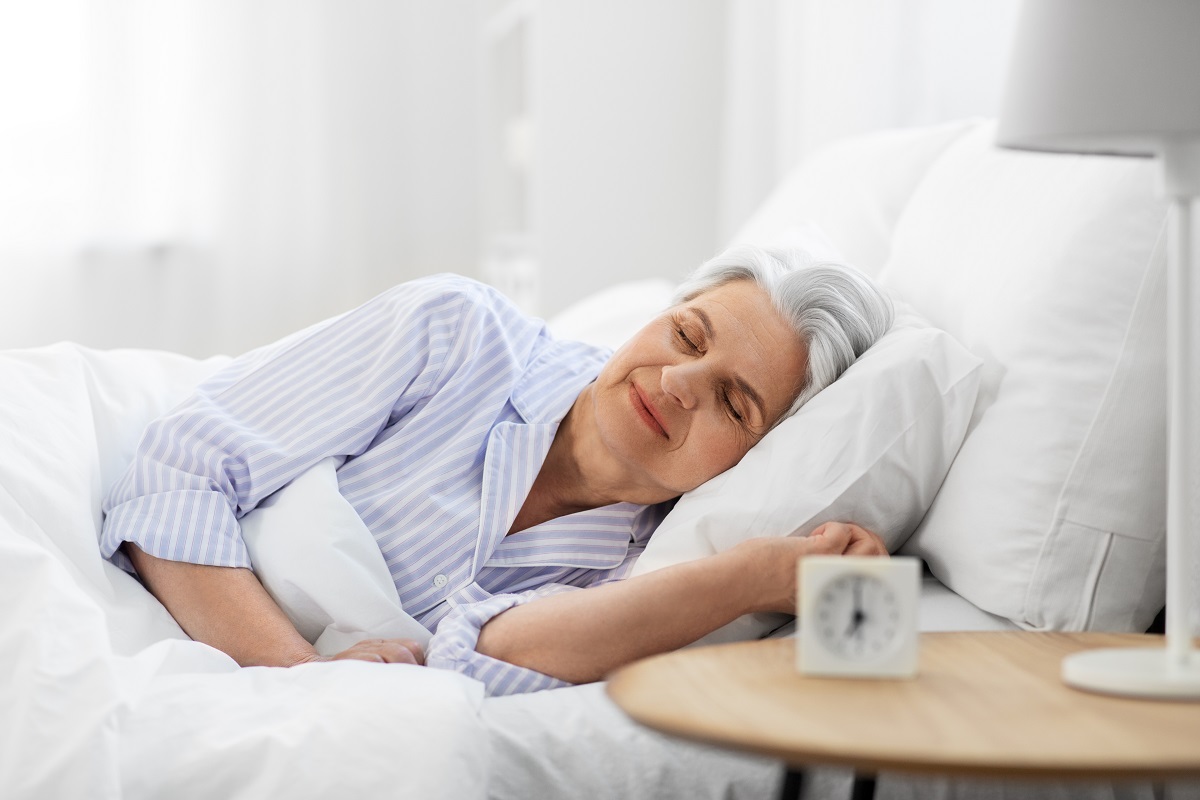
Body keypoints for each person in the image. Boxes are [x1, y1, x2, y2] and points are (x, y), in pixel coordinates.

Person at [100, 244, 895, 696]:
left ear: (760, 456)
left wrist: (755, 577)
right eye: (687, 337)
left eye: (734, 402)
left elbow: (494, 655)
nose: (679, 385)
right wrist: (305, 679)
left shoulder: (655, 557)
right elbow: (181, 475)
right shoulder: (457, 333)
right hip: (135, 604)